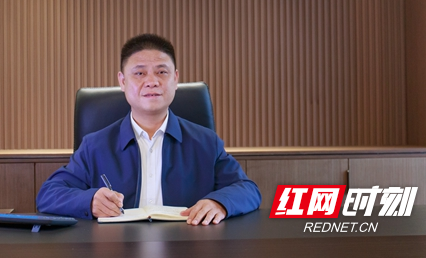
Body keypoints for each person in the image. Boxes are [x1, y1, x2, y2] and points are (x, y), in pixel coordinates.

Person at [36, 33, 261, 225]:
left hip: (188, 246)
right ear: (122, 81)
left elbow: (247, 189)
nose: (152, 81)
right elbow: (49, 194)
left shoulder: (205, 142)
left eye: (162, 72)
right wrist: (89, 201)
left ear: (175, 79)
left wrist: (219, 203)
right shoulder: (95, 146)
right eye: (140, 73)